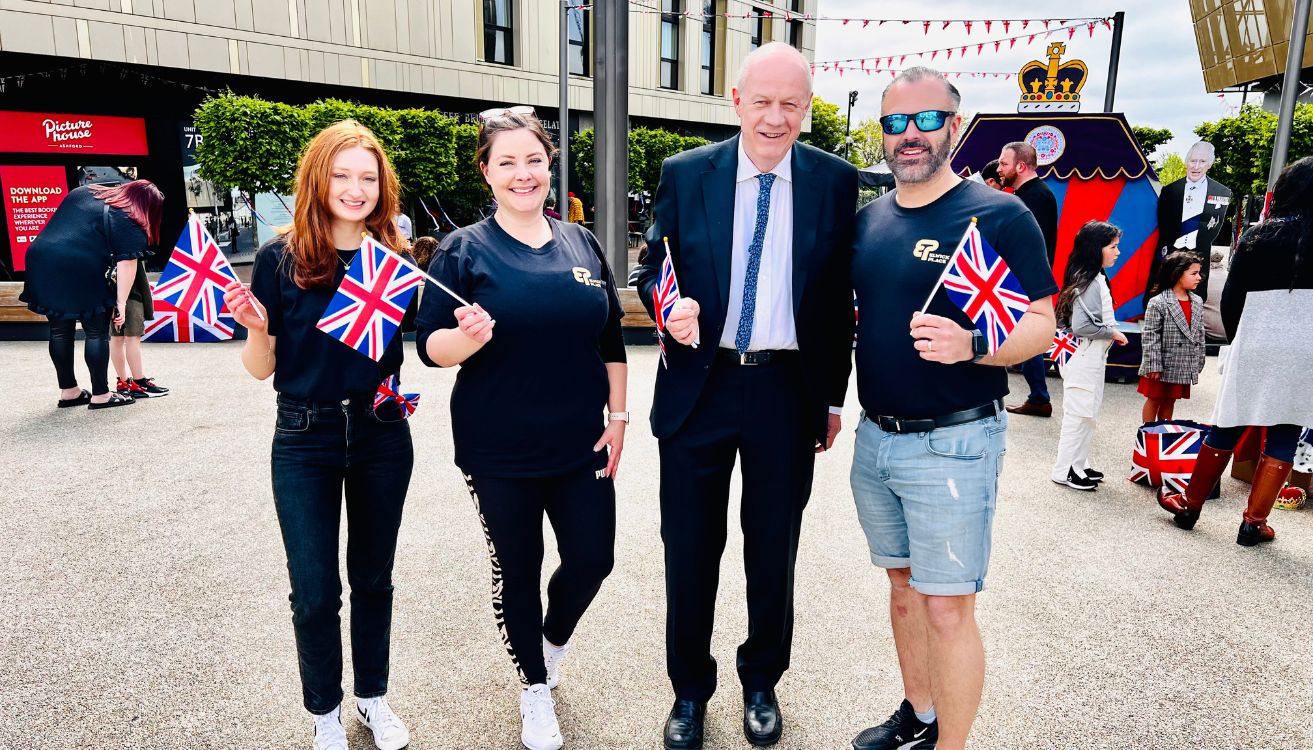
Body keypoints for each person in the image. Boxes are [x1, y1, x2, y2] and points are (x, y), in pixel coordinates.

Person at [632, 42, 858, 750]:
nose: (774, 117)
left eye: (790, 104)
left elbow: (831, 303)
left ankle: (761, 681)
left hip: (784, 393)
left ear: (805, 110)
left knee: (772, 549)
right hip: (701, 385)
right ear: (735, 102)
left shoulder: (833, 181)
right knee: (689, 550)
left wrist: (829, 399)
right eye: (761, 101)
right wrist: (667, 307)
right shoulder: (684, 173)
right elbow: (652, 267)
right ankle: (689, 692)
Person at [849, 67, 1056, 750]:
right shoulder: (868, 219)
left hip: (953, 444)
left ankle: (951, 745)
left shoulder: (996, 214)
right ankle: (918, 714)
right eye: (895, 122)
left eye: (926, 120)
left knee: (945, 608)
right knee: (904, 590)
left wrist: (973, 344)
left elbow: (1041, 327)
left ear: (954, 128)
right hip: (875, 439)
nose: (909, 135)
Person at [415, 107, 627, 750]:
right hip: (498, 448)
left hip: (580, 440)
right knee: (519, 567)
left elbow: (612, 339)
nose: (522, 173)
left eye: (532, 160)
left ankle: (550, 643)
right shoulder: (462, 250)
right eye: (506, 162)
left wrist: (618, 417)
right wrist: (465, 338)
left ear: (549, 165)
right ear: (486, 173)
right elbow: (429, 347)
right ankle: (534, 687)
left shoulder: (582, 243)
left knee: (593, 559)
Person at [220, 120, 414, 750]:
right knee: (313, 589)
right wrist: (253, 325)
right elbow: (262, 367)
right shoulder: (282, 256)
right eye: (342, 174)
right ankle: (323, 709)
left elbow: (432, 344)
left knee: (374, 579)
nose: (355, 189)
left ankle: (373, 698)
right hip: (304, 436)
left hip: (382, 432)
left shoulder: (396, 259)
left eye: (368, 177)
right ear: (317, 178)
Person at [1156, 155, 1313, 546]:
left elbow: (1230, 298)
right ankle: (1253, 523)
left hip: (1256, 338)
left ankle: (1190, 505)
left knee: (1229, 420)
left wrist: (1239, 337)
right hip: (1307, 346)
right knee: (1287, 427)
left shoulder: (1257, 236)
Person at [20, 179, 164, 410]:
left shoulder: (84, 192)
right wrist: (120, 303)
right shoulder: (130, 218)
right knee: (96, 332)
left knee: (59, 331)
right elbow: (128, 265)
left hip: (40, 258)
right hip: (80, 265)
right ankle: (101, 395)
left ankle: (69, 392)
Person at [1049, 221, 1129, 491]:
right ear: (1096, 249)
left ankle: (1078, 464)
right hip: (1084, 354)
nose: (1117, 252)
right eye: (1113, 247)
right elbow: (1083, 326)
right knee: (1079, 413)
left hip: (1087, 355)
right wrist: (1112, 333)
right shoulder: (1091, 281)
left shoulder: (1091, 277)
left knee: (1087, 412)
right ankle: (1065, 469)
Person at [997, 141, 1059, 418]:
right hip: (1025, 277)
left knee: (1024, 332)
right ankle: (1037, 395)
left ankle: (1038, 396)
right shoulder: (1035, 194)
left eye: (1004, 163)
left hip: (1023, 279)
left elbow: (1028, 243)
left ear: (1020, 166)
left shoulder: (1031, 198)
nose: (999, 168)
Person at [1148, 141, 1232, 305]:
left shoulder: (1222, 192)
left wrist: (1192, 238)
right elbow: (1163, 223)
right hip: (1171, 255)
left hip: (1199, 255)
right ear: (1187, 162)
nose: (1196, 166)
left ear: (1209, 165)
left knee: (1194, 301)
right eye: (1193, 161)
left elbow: (1215, 225)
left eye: (1202, 162)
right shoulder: (1170, 190)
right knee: (1164, 298)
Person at [1138, 252, 1206, 424]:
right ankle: (1147, 435)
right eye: (1193, 273)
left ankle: (1163, 434)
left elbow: (1199, 334)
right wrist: (1153, 363)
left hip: (1182, 363)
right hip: (1161, 363)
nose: (1199, 277)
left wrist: (1198, 360)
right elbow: (1150, 335)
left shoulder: (1197, 301)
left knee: (1171, 399)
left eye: (1199, 273)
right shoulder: (1158, 302)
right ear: (1177, 274)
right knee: (1154, 398)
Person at [110, 260, 169, 399]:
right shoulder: (128, 238)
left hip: (110, 286)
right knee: (132, 337)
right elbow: (129, 262)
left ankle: (123, 382)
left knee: (116, 337)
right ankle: (139, 382)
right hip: (129, 289)